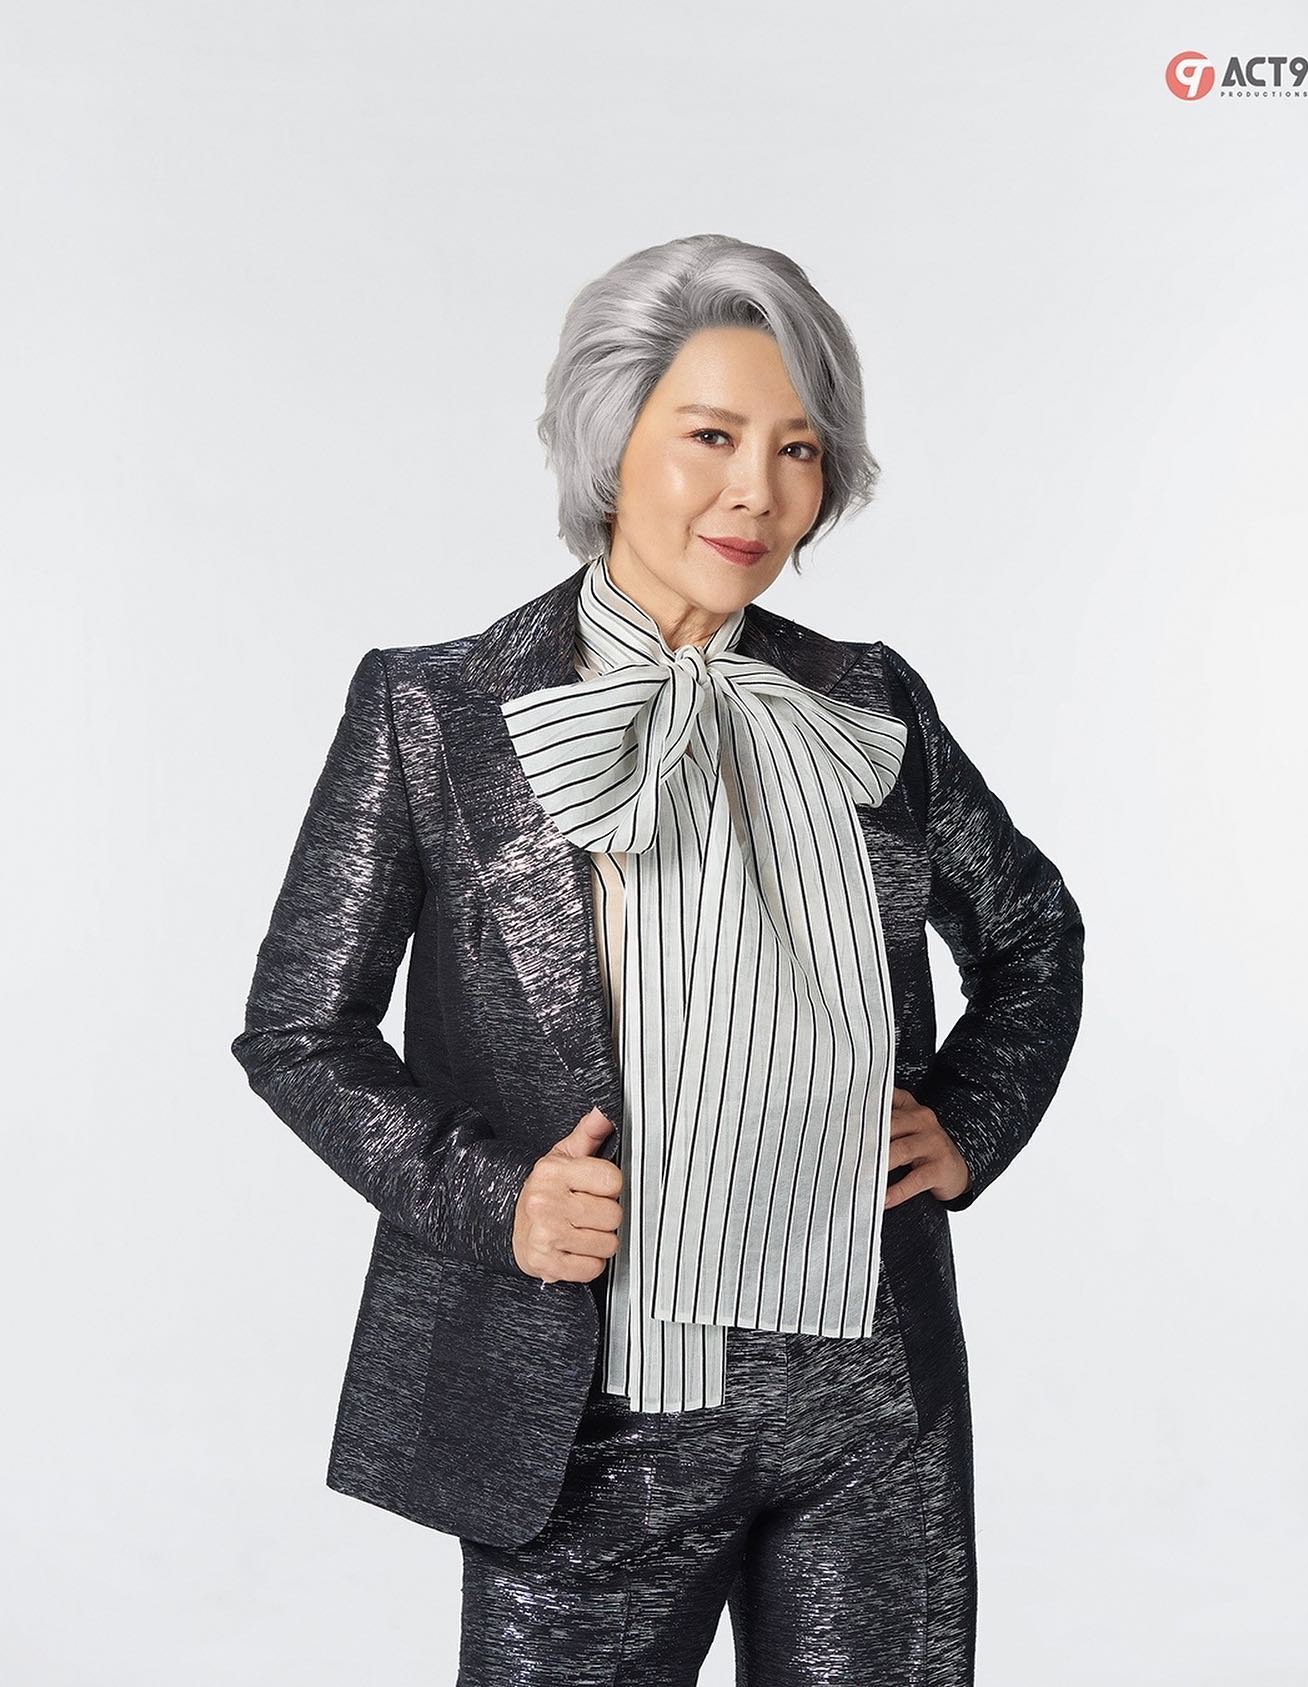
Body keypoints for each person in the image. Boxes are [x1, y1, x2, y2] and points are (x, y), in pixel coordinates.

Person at [232, 233, 1085, 1686]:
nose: (758, 490)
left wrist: (969, 1118)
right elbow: (298, 1030)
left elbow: (1031, 931)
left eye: (798, 449)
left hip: (870, 1412)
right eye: (710, 436)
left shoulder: (866, 700)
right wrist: (496, 1195)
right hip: (584, 1415)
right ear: (609, 439)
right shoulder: (434, 713)